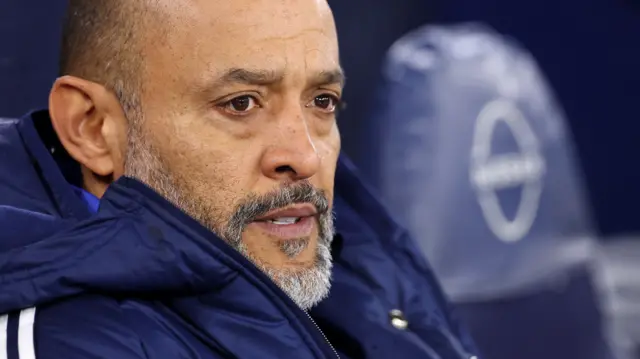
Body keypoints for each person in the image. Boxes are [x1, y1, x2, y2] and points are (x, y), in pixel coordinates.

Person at [0, 0, 478, 358]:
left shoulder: (350, 248)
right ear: (94, 128)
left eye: (322, 101)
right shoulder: (63, 340)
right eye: (241, 103)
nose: (304, 156)